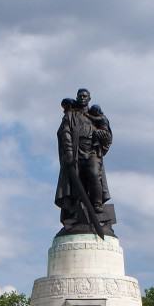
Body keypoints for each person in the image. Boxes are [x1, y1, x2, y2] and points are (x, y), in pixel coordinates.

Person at [55, 89, 112, 232]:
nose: (82, 98)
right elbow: (65, 132)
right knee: (76, 183)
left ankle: (97, 205)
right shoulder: (70, 115)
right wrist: (68, 151)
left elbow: (107, 136)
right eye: (80, 96)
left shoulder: (96, 116)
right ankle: (75, 213)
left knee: (94, 174)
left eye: (85, 96)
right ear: (77, 97)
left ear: (89, 98)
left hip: (92, 151)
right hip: (75, 153)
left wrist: (103, 136)